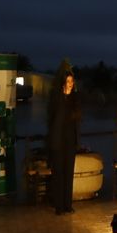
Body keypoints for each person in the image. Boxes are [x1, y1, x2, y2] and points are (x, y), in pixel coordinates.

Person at [45, 69, 81, 215]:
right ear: (63, 82)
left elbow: (78, 115)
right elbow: (52, 117)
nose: (70, 84)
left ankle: (68, 204)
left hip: (70, 140)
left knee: (68, 173)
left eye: (72, 81)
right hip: (58, 140)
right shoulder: (56, 97)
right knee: (58, 173)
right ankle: (59, 206)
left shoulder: (75, 98)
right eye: (68, 81)